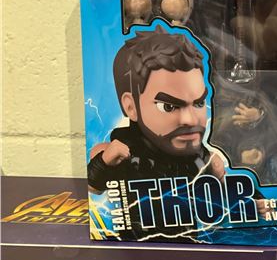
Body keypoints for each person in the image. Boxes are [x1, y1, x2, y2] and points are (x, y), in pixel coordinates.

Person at [87, 25, 225, 194]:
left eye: (198, 103)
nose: (190, 120)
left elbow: (231, 198)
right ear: (131, 107)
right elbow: (93, 189)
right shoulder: (120, 154)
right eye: (168, 106)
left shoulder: (202, 157)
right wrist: (103, 163)